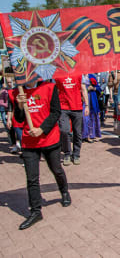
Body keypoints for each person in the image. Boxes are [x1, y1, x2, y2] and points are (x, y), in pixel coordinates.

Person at [13, 80, 71, 230]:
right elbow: (19, 119)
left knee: (56, 169)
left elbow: (56, 112)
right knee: (32, 178)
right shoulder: (18, 91)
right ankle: (35, 211)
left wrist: (42, 129)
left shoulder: (49, 87)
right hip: (29, 142)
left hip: (49, 138)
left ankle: (64, 191)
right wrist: (19, 105)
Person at [55, 75, 89, 165]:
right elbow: (56, 91)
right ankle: (67, 153)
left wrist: (87, 105)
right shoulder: (58, 76)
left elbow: (84, 89)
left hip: (76, 107)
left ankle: (76, 154)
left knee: (77, 132)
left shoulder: (79, 74)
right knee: (64, 131)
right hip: (63, 107)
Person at [82, 74, 101, 142]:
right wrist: (86, 89)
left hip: (92, 99)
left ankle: (92, 134)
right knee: (84, 118)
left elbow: (99, 88)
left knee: (92, 117)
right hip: (83, 99)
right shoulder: (79, 76)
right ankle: (84, 135)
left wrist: (93, 88)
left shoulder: (92, 76)